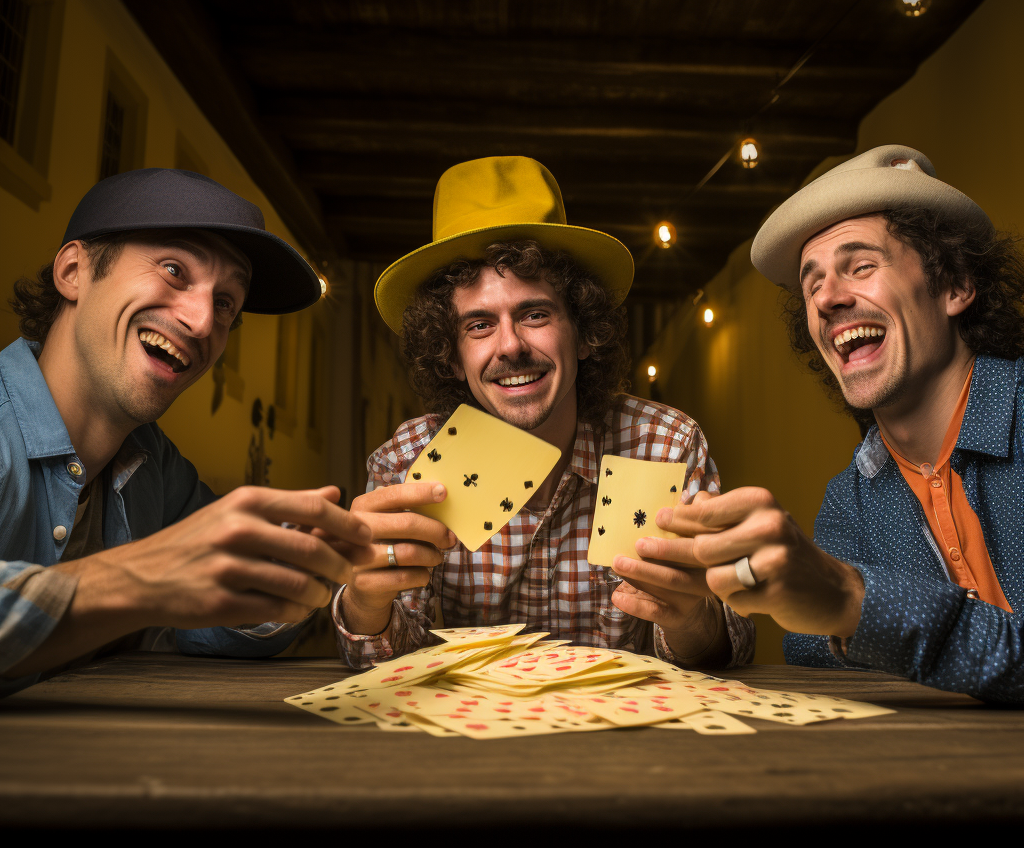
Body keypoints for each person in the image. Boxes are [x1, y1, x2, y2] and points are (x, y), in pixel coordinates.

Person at [331, 156, 755, 668]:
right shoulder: (405, 461)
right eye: (479, 325)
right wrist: (364, 604)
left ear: (583, 331)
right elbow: (383, 662)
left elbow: (729, 646)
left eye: (535, 314)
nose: (510, 346)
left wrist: (692, 619)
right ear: (451, 353)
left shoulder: (665, 446)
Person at [650, 144, 1024, 702]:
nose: (827, 298)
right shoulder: (848, 504)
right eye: (811, 284)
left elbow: (848, 625)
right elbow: (814, 660)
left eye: (861, 266)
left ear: (955, 286)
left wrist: (854, 600)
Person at [1, 169, 372, 694]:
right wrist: (142, 579)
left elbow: (216, 626)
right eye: (174, 270)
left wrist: (319, 558)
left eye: (226, 303)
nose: (202, 322)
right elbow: (162, 581)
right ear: (74, 271)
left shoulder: (156, 467)